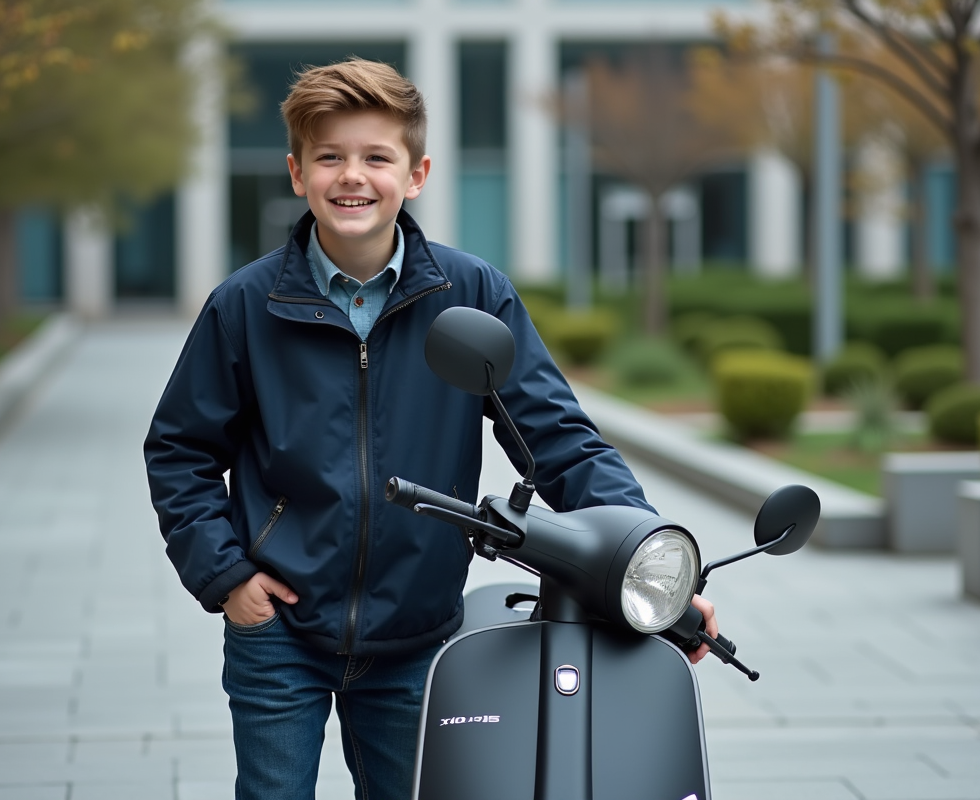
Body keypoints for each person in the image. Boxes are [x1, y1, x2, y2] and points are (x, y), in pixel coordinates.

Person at [143, 58, 716, 800]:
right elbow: (180, 450)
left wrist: (649, 562)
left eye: (377, 157)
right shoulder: (244, 304)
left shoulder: (472, 294)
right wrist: (226, 576)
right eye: (330, 157)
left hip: (419, 637)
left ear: (416, 174)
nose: (353, 176)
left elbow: (559, 439)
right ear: (296, 172)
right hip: (277, 632)